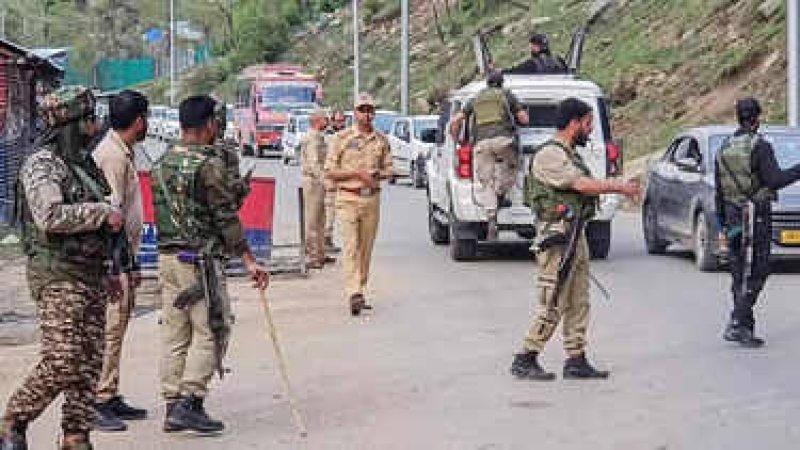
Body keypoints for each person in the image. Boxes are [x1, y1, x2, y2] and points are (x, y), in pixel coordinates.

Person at [0, 86, 128, 450]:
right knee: (62, 360)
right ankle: (13, 420)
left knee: (88, 363)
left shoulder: (82, 164)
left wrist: (111, 269)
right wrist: (102, 213)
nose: (94, 127)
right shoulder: (42, 164)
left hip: (90, 273)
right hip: (57, 273)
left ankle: (76, 435)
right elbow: (50, 216)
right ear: (70, 124)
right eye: (88, 120)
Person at [151, 95, 269, 435]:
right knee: (213, 329)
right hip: (199, 262)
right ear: (209, 125)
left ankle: (172, 403)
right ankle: (191, 402)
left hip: (167, 259)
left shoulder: (162, 162)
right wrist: (249, 260)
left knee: (175, 333)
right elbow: (225, 217)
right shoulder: (208, 166)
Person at [511, 98, 639, 381]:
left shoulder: (569, 154)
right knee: (554, 300)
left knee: (579, 300)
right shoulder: (550, 155)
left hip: (574, 233)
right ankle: (526, 357)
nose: (590, 130)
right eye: (588, 123)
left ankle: (576, 358)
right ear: (574, 123)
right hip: (557, 238)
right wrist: (619, 187)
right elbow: (580, 184)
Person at [715, 97, 800, 348]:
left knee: (738, 271)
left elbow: (719, 191)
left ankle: (745, 329)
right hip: (756, 217)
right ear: (757, 119)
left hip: (732, 217)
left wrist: (721, 224)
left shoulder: (724, 147)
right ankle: (737, 321)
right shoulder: (760, 146)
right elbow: (775, 180)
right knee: (759, 269)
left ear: (739, 117)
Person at [91, 90, 150, 432]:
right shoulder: (112, 156)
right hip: (113, 260)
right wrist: (120, 267)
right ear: (139, 121)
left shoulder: (123, 152)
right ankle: (97, 399)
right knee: (110, 330)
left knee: (118, 328)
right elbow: (110, 217)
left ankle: (109, 392)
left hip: (124, 257)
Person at [325, 93, 393, 316]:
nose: (366, 114)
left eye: (370, 110)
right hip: (347, 198)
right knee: (350, 247)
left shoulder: (381, 140)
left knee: (365, 249)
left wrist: (377, 174)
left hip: (371, 199)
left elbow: (390, 169)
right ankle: (353, 291)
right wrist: (356, 174)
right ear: (354, 113)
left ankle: (360, 287)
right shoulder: (341, 138)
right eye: (362, 110)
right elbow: (330, 171)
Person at [450, 71, 530, 239]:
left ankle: (491, 217)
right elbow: (524, 120)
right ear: (501, 84)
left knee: (485, 182)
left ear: (487, 84)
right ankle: (500, 193)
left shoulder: (476, 98)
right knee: (512, 168)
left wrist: (457, 140)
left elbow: (456, 120)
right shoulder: (506, 95)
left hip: (481, 144)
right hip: (503, 142)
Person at [301, 109, 336, 269]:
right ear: (317, 120)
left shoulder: (318, 136)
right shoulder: (312, 138)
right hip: (313, 181)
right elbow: (314, 164)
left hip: (319, 181)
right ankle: (312, 256)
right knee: (312, 219)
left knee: (321, 219)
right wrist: (325, 180)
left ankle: (320, 253)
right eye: (325, 119)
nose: (328, 121)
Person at [324, 110, 348, 253]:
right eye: (338, 121)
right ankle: (326, 238)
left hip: (345, 178)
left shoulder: (347, 134)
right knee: (330, 211)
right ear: (332, 121)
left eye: (342, 120)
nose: (340, 123)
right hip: (332, 179)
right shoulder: (328, 136)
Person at [503, 33, 568, 75]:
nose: (530, 48)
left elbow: (513, 72)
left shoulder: (531, 64)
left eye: (532, 46)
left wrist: (501, 72)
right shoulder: (560, 60)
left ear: (536, 47)